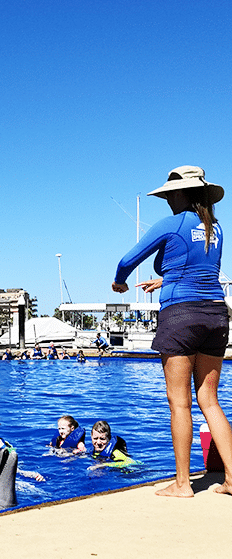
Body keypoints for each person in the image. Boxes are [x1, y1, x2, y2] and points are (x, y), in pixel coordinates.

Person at [112, 165, 232, 497]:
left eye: (169, 195)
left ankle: (182, 485)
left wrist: (120, 283)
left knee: (179, 403)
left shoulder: (173, 223)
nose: (167, 201)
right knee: (209, 399)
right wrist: (165, 278)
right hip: (216, 315)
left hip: (181, 315)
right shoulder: (216, 228)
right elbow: (201, 270)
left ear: (181, 193)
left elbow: (128, 259)